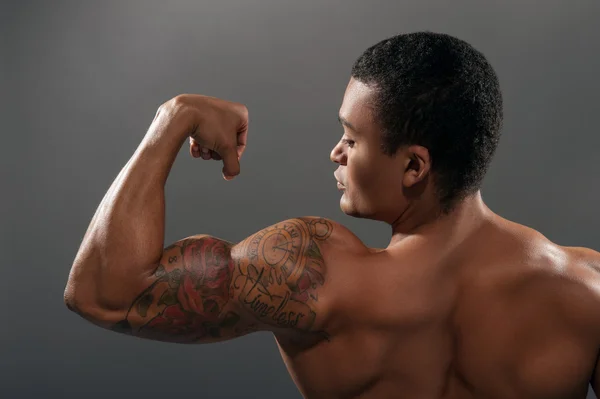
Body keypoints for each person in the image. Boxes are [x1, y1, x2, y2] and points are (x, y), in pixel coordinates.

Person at [64, 31, 600, 398]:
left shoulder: (307, 273)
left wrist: (174, 117)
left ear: (414, 166)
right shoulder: (588, 289)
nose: (336, 153)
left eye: (350, 138)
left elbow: (102, 294)